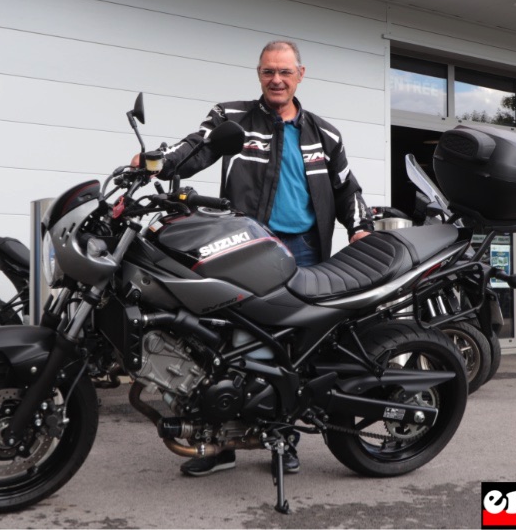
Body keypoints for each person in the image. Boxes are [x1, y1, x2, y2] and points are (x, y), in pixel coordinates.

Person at [134, 40, 373, 476]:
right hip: (245, 247)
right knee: (225, 345)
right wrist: (156, 164)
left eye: (284, 72)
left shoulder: (325, 134)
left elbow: (346, 188)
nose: (276, 80)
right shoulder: (232, 118)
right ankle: (219, 443)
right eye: (268, 72)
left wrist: (360, 227)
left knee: (293, 349)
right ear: (258, 74)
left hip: (302, 249)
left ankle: (284, 439)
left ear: (301, 74)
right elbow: (195, 148)